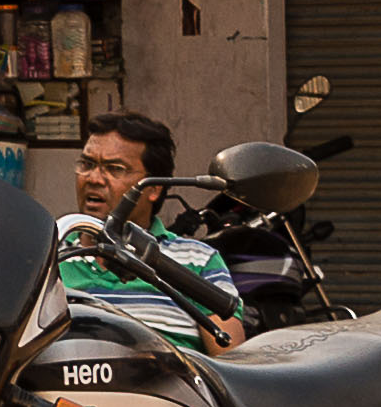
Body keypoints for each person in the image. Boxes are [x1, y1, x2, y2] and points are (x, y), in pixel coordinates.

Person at [55, 110, 245, 348]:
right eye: (87, 164)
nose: (94, 178)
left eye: (114, 169)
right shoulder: (49, 256)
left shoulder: (199, 261)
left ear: (154, 188)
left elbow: (230, 360)